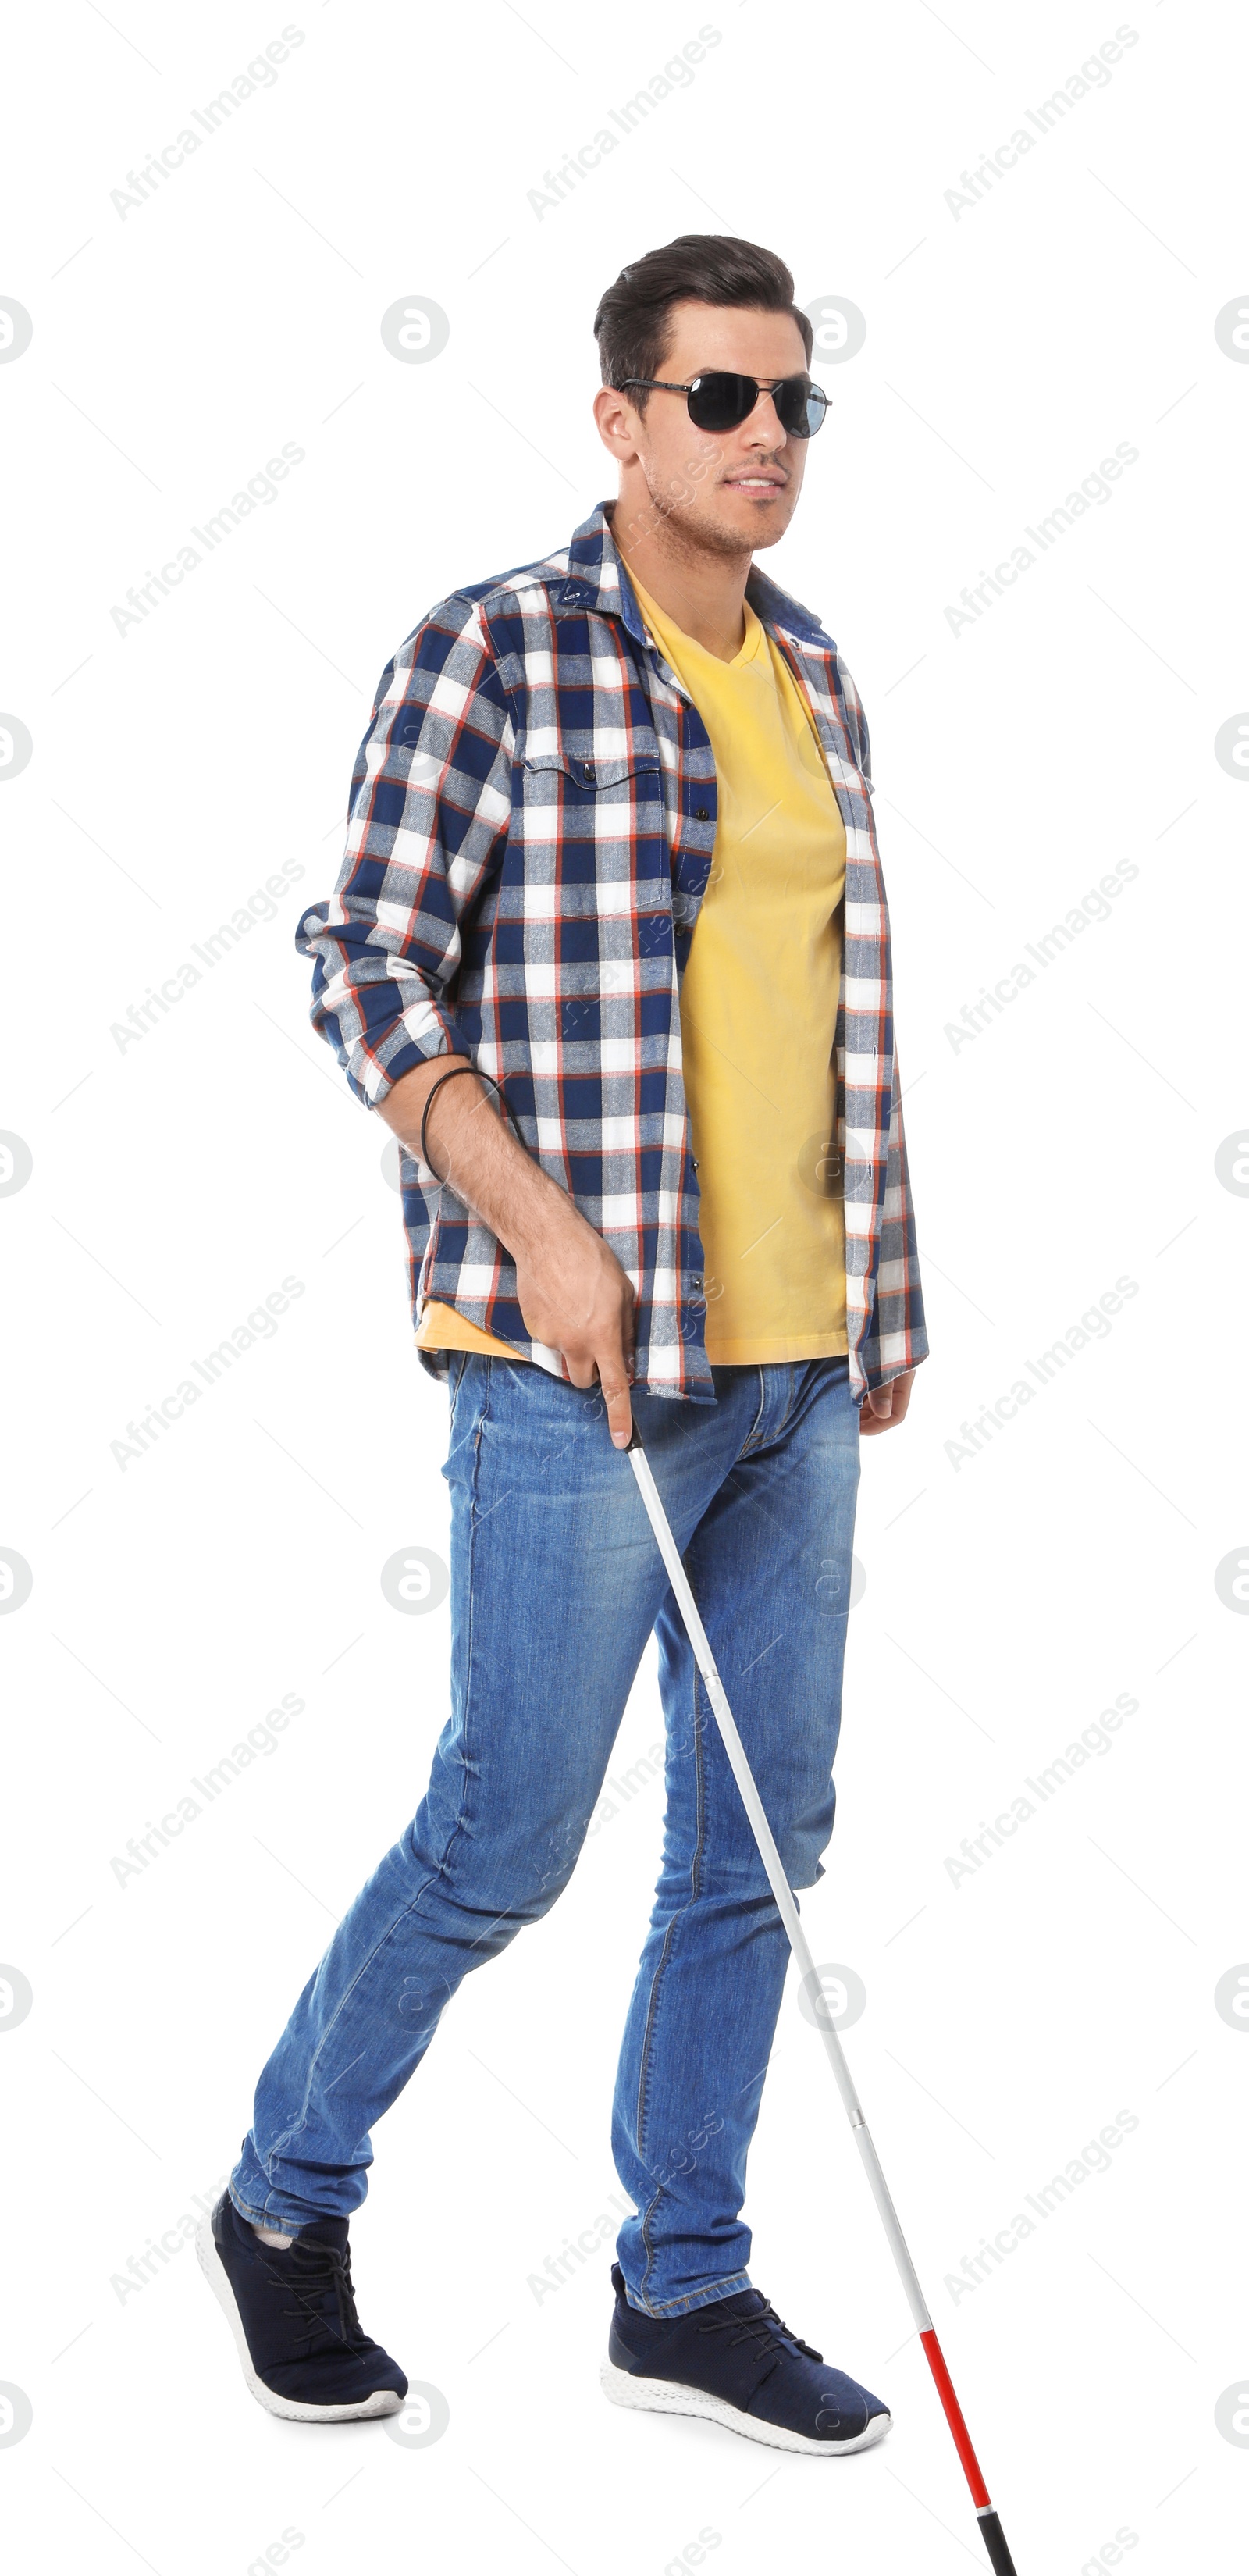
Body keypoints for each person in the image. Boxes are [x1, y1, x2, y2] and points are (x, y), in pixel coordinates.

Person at [198, 233, 927, 2450]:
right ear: (621, 420)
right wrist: (535, 1230)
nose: (769, 439)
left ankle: (680, 2281)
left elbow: (827, 1013)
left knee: (761, 1842)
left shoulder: (812, 670)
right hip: (572, 1362)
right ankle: (282, 2192)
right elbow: (360, 958)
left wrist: (883, 1284)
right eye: (724, 399)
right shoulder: (498, 648)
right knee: (508, 1833)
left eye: (797, 401)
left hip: (800, 1369)